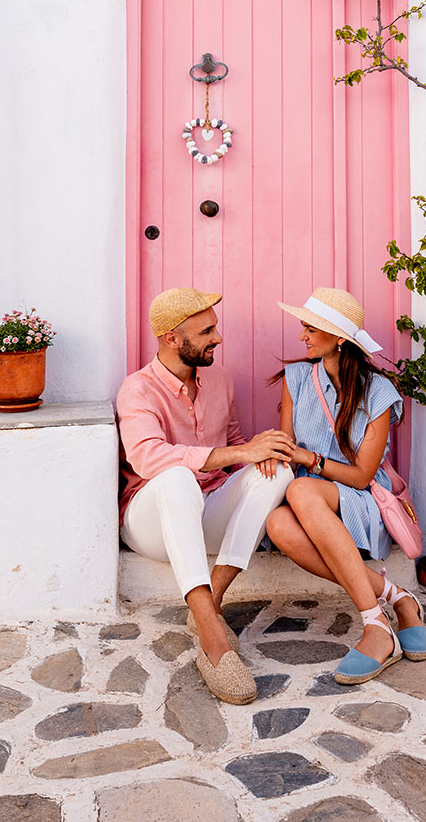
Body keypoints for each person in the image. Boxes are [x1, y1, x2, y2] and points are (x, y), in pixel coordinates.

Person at [117, 287, 295, 704]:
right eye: (207, 331)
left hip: (208, 513)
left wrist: (258, 457)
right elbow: (147, 458)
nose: (218, 338)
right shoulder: (137, 390)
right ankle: (211, 634)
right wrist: (239, 452)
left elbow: (232, 445)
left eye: (215, 327)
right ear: (171, 339)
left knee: (277, 468)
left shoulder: (220, 381)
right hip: (151, 522)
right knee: (176, 475)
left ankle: (214, 597)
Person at [266, 287, 426, 684]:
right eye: (303, 327)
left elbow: (360, 475)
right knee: (278, 525)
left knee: (301, 491)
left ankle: (376, 626)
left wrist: (312, 461)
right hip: (308, 498)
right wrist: (274, 451)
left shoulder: (379, 394)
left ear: (340, 338)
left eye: (311, 329)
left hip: (358, 499)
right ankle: (396, 597)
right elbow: (290, 448)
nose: (303, 336)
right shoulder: (296, 379)